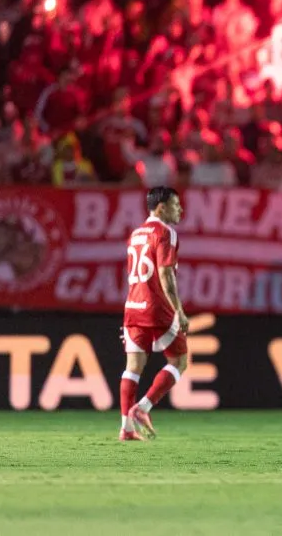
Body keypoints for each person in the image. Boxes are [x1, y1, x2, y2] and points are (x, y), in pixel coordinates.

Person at [119, 186, 190, 441]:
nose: (180, 209)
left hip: (132, 307)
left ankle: (125, 428)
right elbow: (165, 274)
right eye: (176, 204)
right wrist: (179, 310)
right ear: (161, 208)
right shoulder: (166, 233)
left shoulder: (135, 234)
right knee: (180, 361)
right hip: (156, 308)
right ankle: (144, 408)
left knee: (133, 368)